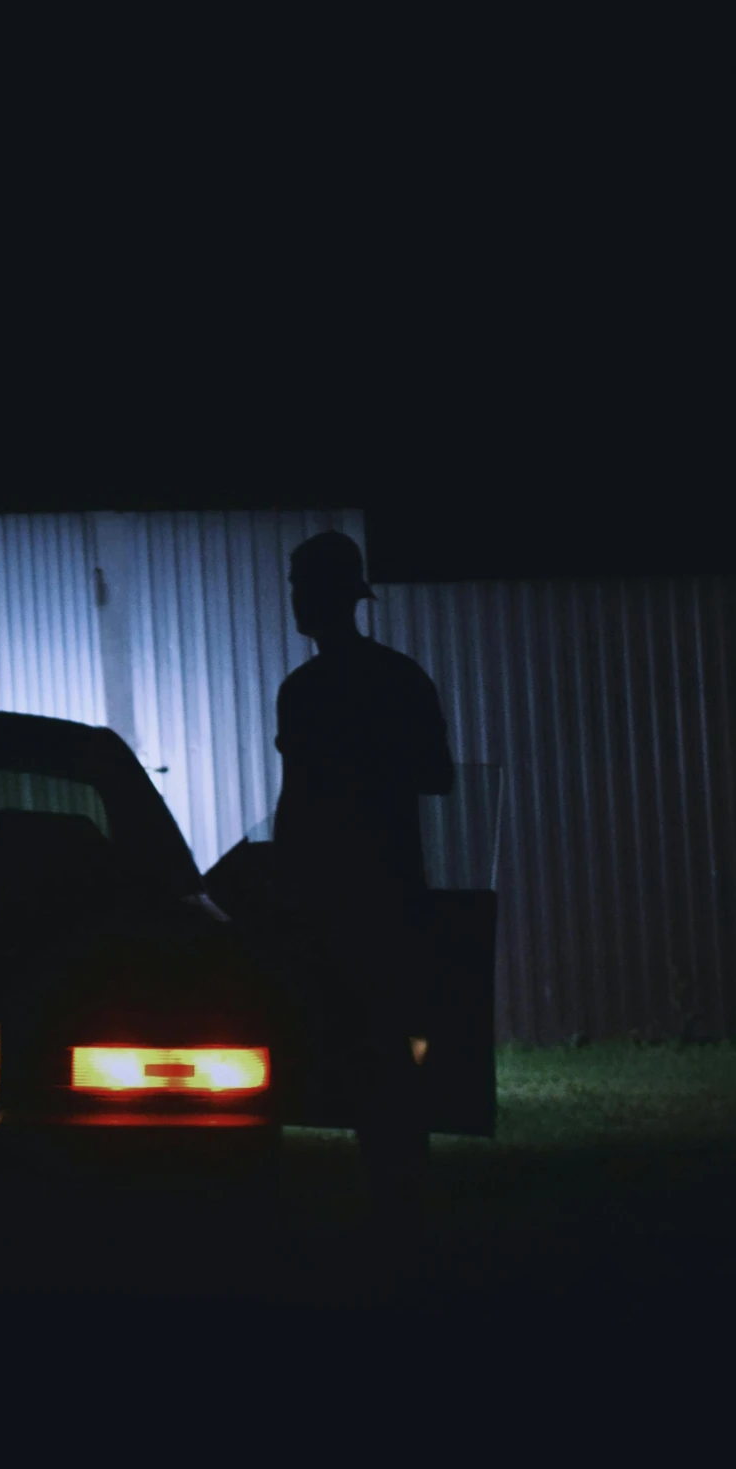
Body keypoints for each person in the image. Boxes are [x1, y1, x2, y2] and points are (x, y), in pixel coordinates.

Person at [272, 531, 455, 1279]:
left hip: (334, 898)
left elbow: (300, 802)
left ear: (323, 596)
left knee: (351, 1043)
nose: (295, 598)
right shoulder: (398, 677)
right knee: (385, 1049)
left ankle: (380, 1211)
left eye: (300, 586)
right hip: (384, 893)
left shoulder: (305, 691)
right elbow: (436, 776)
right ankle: (394, 1205)